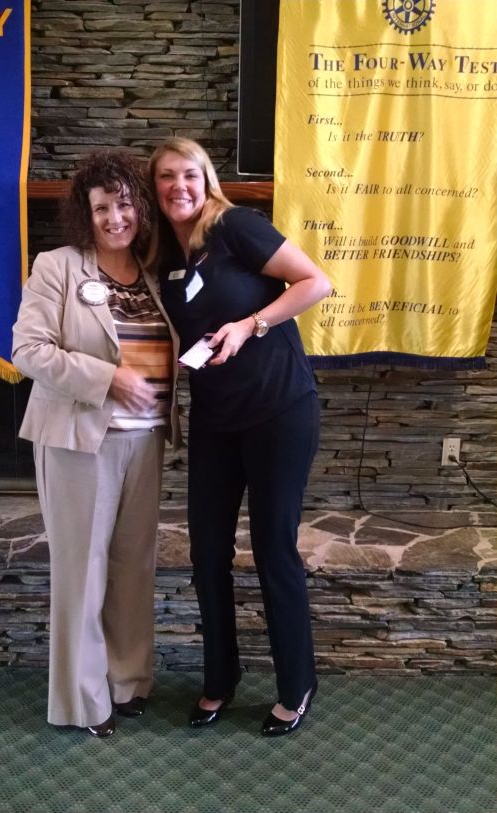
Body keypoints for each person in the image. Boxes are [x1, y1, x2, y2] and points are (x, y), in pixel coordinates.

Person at [147, 137, 332, 737]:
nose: (179, 186)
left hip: (279, 408)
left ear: (207, 180)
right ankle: (220, 679)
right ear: (155, 188)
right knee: (206, 552)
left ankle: (296, 685)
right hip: (215, 417)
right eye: (166, 176)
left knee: (274, 547)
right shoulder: (164, 254)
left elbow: (315, 282)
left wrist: (251, 324)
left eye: (190, 174)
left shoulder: (236, 227)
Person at [12, 150, 180, 739]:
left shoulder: (155, 272)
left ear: (141, 209)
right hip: (78, 441)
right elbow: (28, 351)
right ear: (86, 214)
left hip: (146, 440)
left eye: (125, 204)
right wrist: (108, 378)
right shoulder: (58, 267)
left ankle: (128, 681)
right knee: (83, 570)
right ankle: (83, 701)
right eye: (102, 208)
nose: (115, 218)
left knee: (134, 566)